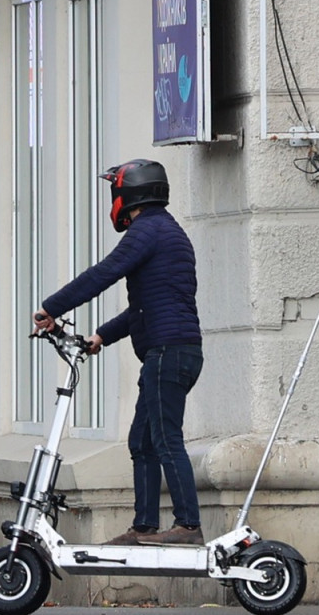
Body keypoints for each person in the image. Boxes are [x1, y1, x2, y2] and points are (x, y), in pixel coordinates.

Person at [33, 159, 204, 546]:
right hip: (172, 351)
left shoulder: (148, 230)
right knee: (142, 442)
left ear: (127, 195)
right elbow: (144, 308)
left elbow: (103, 273)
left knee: (165, 439)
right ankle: (143, 528)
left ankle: (188, 526)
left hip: (167, 353)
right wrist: (100, 337)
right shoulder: (167, 231)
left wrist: (52, 307)